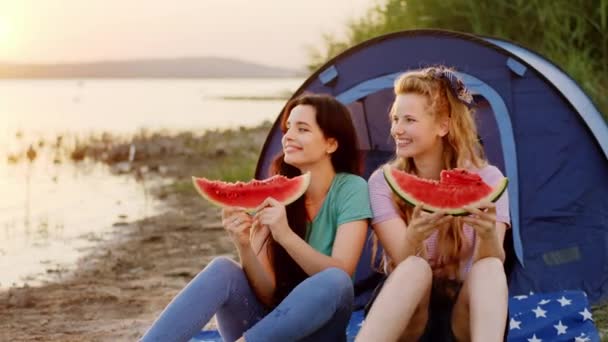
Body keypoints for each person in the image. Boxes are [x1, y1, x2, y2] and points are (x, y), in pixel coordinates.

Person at [141, 93, 373, 342]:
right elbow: (267, 294)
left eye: (302, 129)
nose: (288, 136)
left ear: (331, 144)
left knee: (335, 280)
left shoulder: (352, 189)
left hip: (319, 333)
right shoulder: (275, 196)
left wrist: (284, 235)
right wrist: (244, 246)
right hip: (264, 331)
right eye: (288, 128)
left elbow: (342, 270)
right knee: (223, 268)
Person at [356, 66, 510, 342]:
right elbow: (402, 264)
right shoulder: (381, 182)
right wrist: (415, 236)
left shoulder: (489, 180)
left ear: (443, 126)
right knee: (415, 267)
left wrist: (487, 235)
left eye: (409, 120)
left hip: (464, 321)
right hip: (408, 319)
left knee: (490, 267)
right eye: (395, 119)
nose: (397, 130)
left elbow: (493, 260)